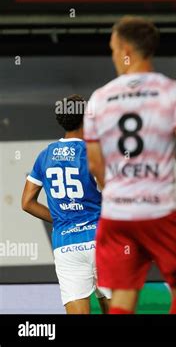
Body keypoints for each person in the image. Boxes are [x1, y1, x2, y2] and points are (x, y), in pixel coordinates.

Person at [84, 16, 176, 314]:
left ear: (125, 49)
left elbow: (95, 163)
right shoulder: (173, 91)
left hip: (116, 217)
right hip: (159, 212)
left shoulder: (98, 99)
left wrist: (119, 193)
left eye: (112, 49)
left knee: (122, 296)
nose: (112, 56)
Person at [22, 94, 110, 314]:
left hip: (66, 245)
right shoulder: (93, 154)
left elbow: (27, 203)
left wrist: (63, 218)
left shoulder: (45, 156)